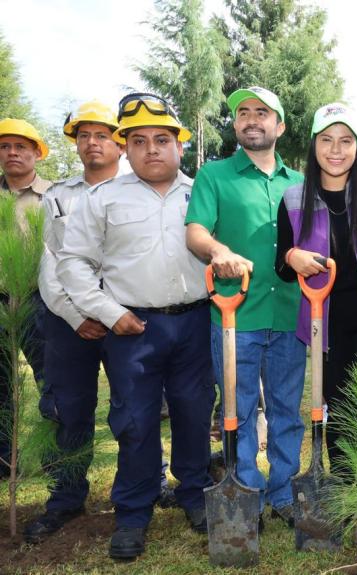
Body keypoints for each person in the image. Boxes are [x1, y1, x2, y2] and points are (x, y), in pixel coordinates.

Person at [57, 93, 213, 559]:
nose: (151, 149)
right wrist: (109, 313)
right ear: (125, 148)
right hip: (132, 327)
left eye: (162, 139)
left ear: (179, 146)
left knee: (193, 411)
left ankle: (194, 494)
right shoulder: (102, 199)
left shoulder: (201, 192)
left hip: (195, 322)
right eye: (139, 140)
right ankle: (132, 511)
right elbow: (74, 263)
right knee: (135, 420)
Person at [185, 86, 305, 526]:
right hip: (235, 315)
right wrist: (217, 251)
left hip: (290, 313)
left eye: (262, 113)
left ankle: (286, 492)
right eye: (243, 113)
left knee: (286, 411)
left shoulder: (299, 184)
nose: (251, 119)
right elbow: (195, 231)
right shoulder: (214, 176)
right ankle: (247, 491)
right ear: (235, 124)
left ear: (280, 126)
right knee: (237, 411)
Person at [275, 102, 357, 470]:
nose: (336, 150)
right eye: (326, 139)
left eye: (345, 140)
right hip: (324, 324)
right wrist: (292, 256)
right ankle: (348, 496)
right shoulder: (294, 198)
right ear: (314, 145)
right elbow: (282, 266)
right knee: (340, 410)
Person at [24, 102, 122, 543]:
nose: (92, 143)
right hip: (69, 321)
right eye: (84, 136)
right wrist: (75, 314)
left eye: (102, 135)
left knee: (134, 407)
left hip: (127, 318)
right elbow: (50, 263)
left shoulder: (137, 190)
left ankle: (143, 487)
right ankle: (66, 497)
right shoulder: (58, 196)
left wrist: (112, 314)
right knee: (70, 411)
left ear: (119, 142)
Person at [0, 118, 51, 480]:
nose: (12, 153)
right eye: (5, 147)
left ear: (36, 152)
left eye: (20, 146)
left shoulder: (55, 195)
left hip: (40, 300)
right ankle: (5, 461)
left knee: (50, 381)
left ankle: (52, 456)